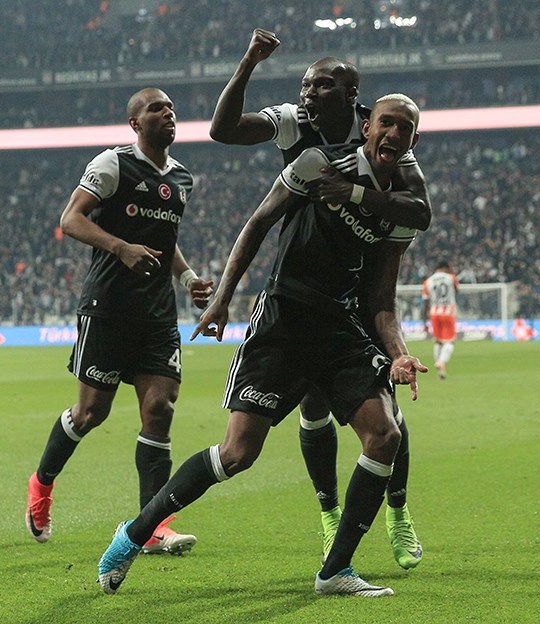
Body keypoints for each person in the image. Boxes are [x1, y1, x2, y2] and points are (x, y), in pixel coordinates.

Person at [97, 94, 428, 597]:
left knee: (385, 435)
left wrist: (399, 351)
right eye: (386, 123)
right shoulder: (318, 164)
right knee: (237, 454)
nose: (393, 134)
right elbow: (258, 223)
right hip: (283, 320)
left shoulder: (401, 208)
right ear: (368, 128)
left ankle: (335, 570)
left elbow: (382, 298)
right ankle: (133, 534)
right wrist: (222, 299)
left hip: (340, 330)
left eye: (404, 128)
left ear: (412, 140)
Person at [209, 28, 430, 569]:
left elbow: (418, 209)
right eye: (306, 84)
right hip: (305, 273)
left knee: (385, 409)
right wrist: (248, 62)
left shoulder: (384, 137)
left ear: (353, 98)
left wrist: (355, 193)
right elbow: (223, 131)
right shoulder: (294, 121)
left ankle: (398, 509)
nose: (308, 93)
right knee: (311, 403)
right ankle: (329, 513)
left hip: (359, 284)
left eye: (321, 85)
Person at [25, 88, 213, 556]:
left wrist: (187, 277)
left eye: (171, 108)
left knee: (160, 409)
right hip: (108, 307)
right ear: (135, 123)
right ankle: (41, 483)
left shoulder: (182, 179)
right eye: (156, 108)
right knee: (91, 413)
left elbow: (166, 239)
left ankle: (152, 526)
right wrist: (120, 247)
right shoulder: (113, 164)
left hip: (157, 314)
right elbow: (70, 220)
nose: (168, 113)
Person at [423, 259, 459, 379]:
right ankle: (441, 362)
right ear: (446, 268)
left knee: (438, 341)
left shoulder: (428, 281)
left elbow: (426, 303)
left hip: (434, 313)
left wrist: (424, 321)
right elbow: (457, 290)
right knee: (449, 341)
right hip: (448, 312)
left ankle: (440, 369)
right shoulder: (451, 277)